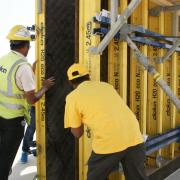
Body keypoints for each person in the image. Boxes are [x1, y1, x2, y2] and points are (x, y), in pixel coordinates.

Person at [64, 63, 149, 180]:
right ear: (88, 76)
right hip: (135, 136)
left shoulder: (72, 97)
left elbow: (77, 133)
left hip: (109, 140)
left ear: (70, 82)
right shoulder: (106, 86)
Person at [0, 25, 55, 180]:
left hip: (1, 115)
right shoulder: (23, 68)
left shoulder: (3, 60)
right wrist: (44, 87)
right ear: (26, 46)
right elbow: (31, 99)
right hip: (13, 121)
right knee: (6, 159)